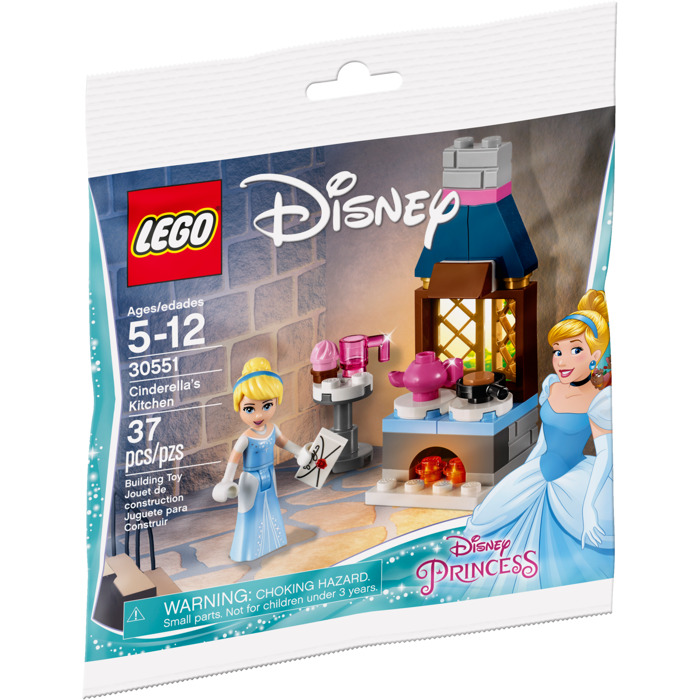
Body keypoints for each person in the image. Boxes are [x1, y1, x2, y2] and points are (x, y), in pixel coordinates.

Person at [444, 290, 613, 598]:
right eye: (558, 351)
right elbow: (544, 440)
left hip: (573, 481)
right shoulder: (552, 386)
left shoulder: (599, 401)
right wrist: (523, 474)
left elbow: (605, 456)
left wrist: (590, 505)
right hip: (539, 470)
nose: (562, 361)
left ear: (595, 356)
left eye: (575, 350)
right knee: (490, 517)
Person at [212, 357, 311, 562]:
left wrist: (299, 452)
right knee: (249, 513)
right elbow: (234, 459)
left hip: (270, 474)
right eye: (250, 409)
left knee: (271, 507)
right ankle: (247, 551)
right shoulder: (245, 438)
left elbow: (285, 443)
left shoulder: (273, 429)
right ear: (240, 408)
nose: (258, 415)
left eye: (266, 406)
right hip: (251, 479)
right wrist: (226, 480)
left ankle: (273, 542)